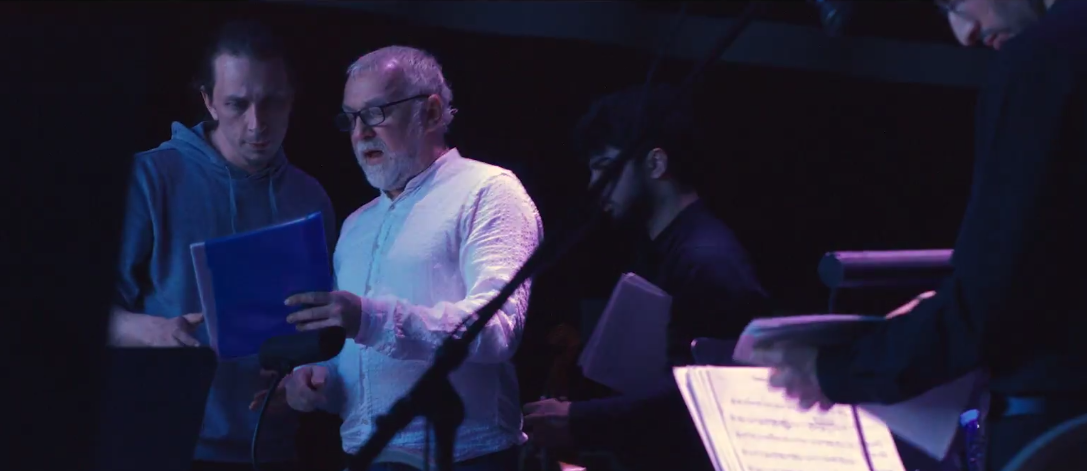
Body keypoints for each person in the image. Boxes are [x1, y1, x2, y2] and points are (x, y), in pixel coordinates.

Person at [755, 1, 1087, 470]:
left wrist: (833, 371)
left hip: (1059, 434)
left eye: (954, 2)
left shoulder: (1043, 59)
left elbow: (986, 306)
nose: (963, 33)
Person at [259, 45, 543, 471]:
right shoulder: (357, 225)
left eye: (375, 113)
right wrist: (318, 381)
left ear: (430, 113)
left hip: (467, 459)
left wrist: (369, 318)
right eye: (351, 118)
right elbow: (360, 362)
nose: (360, 133)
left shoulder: (488, 191)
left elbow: (498, 329)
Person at [109, 20, 336, 471]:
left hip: (273, 450)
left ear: (292, 100)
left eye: (272, 102)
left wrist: (306, 380)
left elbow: (323, 327)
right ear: (209, 100)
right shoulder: (151, 179)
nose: (257, 124)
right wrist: (154, 332)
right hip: (166, 446)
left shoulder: (310, 198)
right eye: (237, 104)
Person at [521, 86, 770, 470]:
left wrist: (578, 420)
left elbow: (699, 397)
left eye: (605, 166)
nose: (594, 184)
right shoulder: (663, 248)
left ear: (655, 164)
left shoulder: (708, 261)